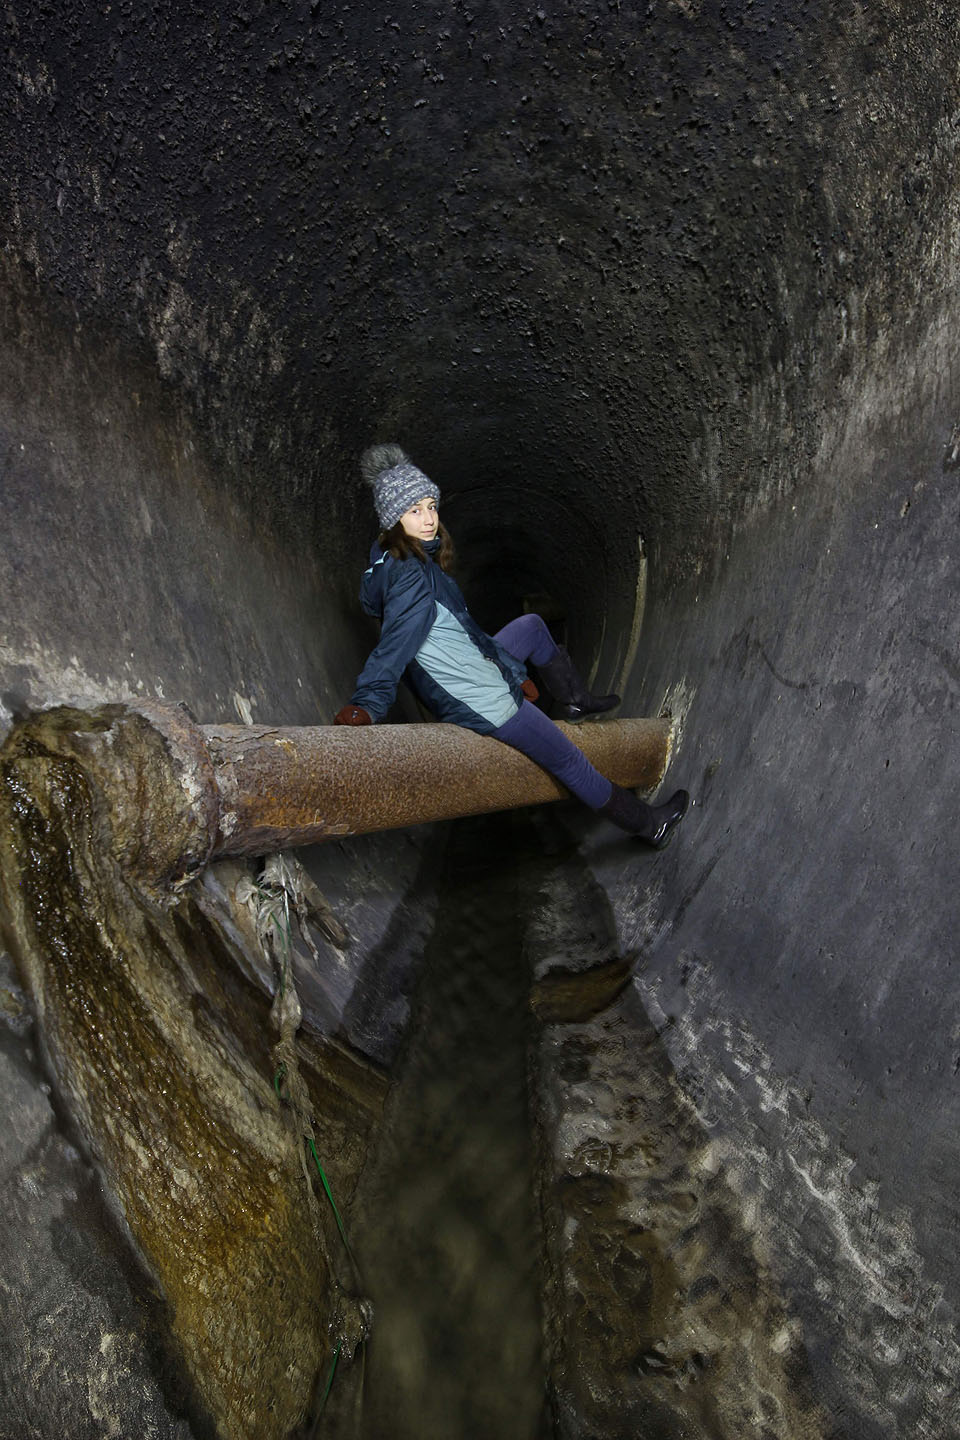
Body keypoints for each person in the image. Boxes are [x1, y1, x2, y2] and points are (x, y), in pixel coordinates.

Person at [333, 445, 689, 846]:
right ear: (393, 519)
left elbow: (467, 637)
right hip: (484, 700)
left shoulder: (406, 562)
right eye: (415, 510)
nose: (430, 518)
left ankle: (575, 699)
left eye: (431, 506)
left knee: (532, 628)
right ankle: (647, 824)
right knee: (571, 761)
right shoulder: (411, 576)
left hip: (476, 672)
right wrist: (366, 705)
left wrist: (511, 667)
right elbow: (394, 647)